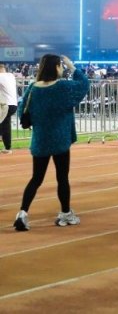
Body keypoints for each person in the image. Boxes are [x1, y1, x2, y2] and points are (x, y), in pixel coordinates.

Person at [14, 55, 89, 231]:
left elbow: (22, 111)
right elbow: (83, 84)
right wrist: (72, 67)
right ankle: (65, 213)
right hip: (60, 139)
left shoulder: (32, 88)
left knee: (36, 178)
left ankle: (22, 213)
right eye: (60, 66)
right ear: (56, 67)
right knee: (62, 178)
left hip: (40, 139)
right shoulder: (62, 87)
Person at [0, 62, 18, 153]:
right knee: (5, 125)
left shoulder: (0, 76)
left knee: (5, 126)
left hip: (5, 106)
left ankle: (7, 147)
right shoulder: (11, 76)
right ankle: (7, 147)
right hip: (13, 105)